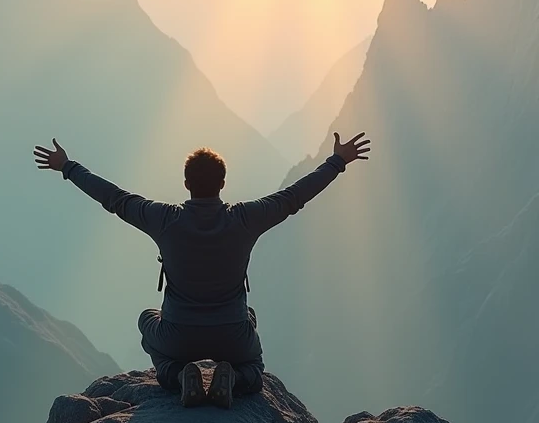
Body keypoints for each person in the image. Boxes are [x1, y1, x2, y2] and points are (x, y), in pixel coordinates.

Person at [33, 132, 370, 408]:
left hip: (179, 333)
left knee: (146, 319)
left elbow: (115, 199)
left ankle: (178, 376)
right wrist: (337, 161)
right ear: (223, 183)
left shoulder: (163, 218)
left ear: (185, 183)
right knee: (253, 362)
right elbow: (293, 197)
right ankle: (234, 379)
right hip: (232, 332)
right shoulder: (245, 219)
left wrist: (68, 167)